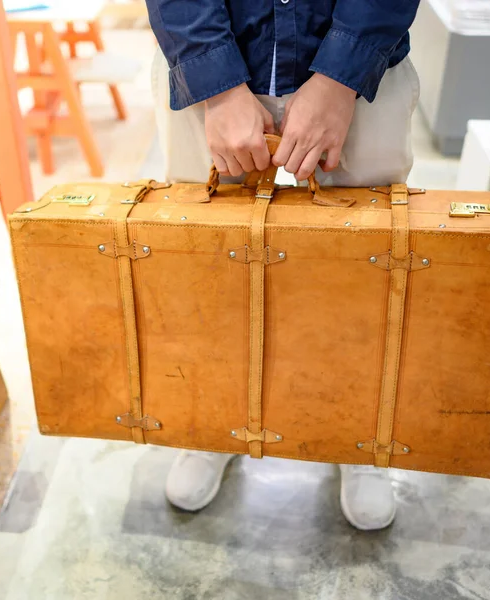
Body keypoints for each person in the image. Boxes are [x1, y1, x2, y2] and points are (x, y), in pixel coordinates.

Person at [146, 0, 421, 530]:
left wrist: (342, 75)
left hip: (364, 73)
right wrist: (216, 82)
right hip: (203, 72)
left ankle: (359, 430)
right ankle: (212, 422)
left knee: (363, 275)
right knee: (202, 272)